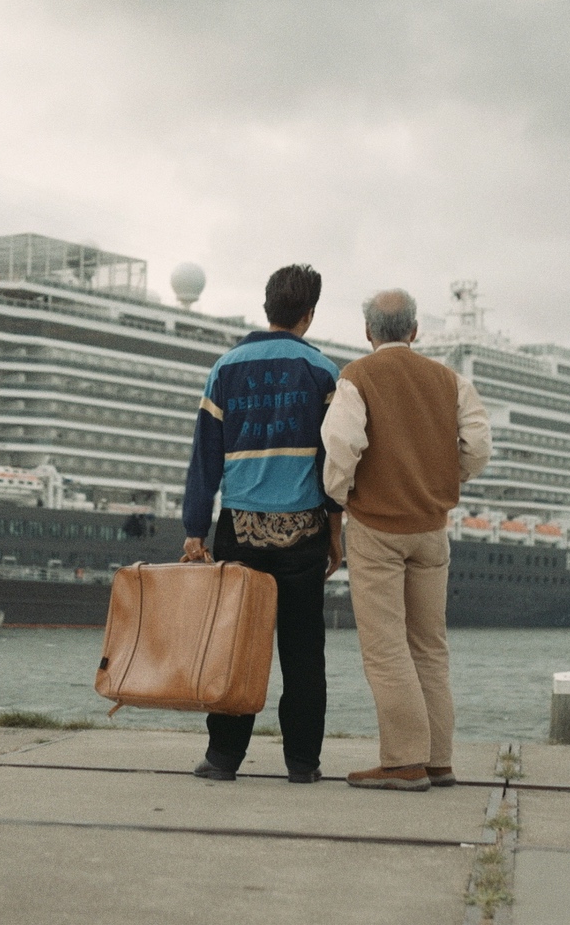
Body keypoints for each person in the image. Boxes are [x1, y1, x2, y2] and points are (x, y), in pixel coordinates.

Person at [321, 289, 490, 791]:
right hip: (432, 528)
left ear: (368, 333)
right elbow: (478, 447)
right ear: (415, 331)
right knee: (430, 647)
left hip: (377, 526)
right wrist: (446, 478)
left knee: (386, 646)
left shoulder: (357, 376)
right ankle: (438, 760)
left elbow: (342, 445)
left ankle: (402, 762)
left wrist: (341, 494)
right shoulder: (451, 381)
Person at [182, 263, 344, 783]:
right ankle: (302, 763)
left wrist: (194, 529)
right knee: (302, 651)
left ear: (267, 306)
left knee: (236, 644)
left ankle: (224, 757)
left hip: (239, 530)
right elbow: (333, 462)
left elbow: (204, 458)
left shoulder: (225, 368)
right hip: (304, 531)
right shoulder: (323, 372)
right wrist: (335, 533)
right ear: (309, 314)